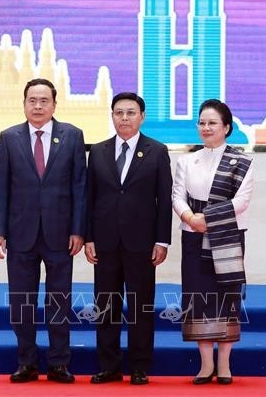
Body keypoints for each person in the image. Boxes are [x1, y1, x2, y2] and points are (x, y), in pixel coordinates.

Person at [0, 78, 86, 384]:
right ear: (24, 104)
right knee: (22, 301)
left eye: (44, 100)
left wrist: (78, 230)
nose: (38, 106)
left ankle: (59, 363)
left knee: (59, 300)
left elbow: (79, 188)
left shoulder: (72, 136)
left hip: (61, 234)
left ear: (55, 104)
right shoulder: (10, 137)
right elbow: (0, 189)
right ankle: (27, 362)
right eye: (32, 100)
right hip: (20, 234)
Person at [84, 92, 173, 385]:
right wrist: (88, 237)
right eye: (119, 112)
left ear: (142, 116)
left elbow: (164, 198)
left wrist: (162, 241)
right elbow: (90, 197)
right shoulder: (97, 151)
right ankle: (109, 365)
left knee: (141, 306)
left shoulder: (157, 151)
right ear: (111, 116)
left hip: (142, 244)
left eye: (131, 113)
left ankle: (139, 366)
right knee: (106, 306)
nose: (124, 118)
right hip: (105, 242)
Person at [172, 99, 255, 385]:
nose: (206, 128)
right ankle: (206, 365)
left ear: (226, 128)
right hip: (193, 237)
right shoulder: (186, 160)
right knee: (199, 299)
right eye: (202, 123)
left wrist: (206, 219)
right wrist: (190, 218)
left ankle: (224, 364)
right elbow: (177, 196)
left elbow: (242, 201)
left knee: (226, 298)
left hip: (227, 236)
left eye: (212, 123)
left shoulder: (243, 161)